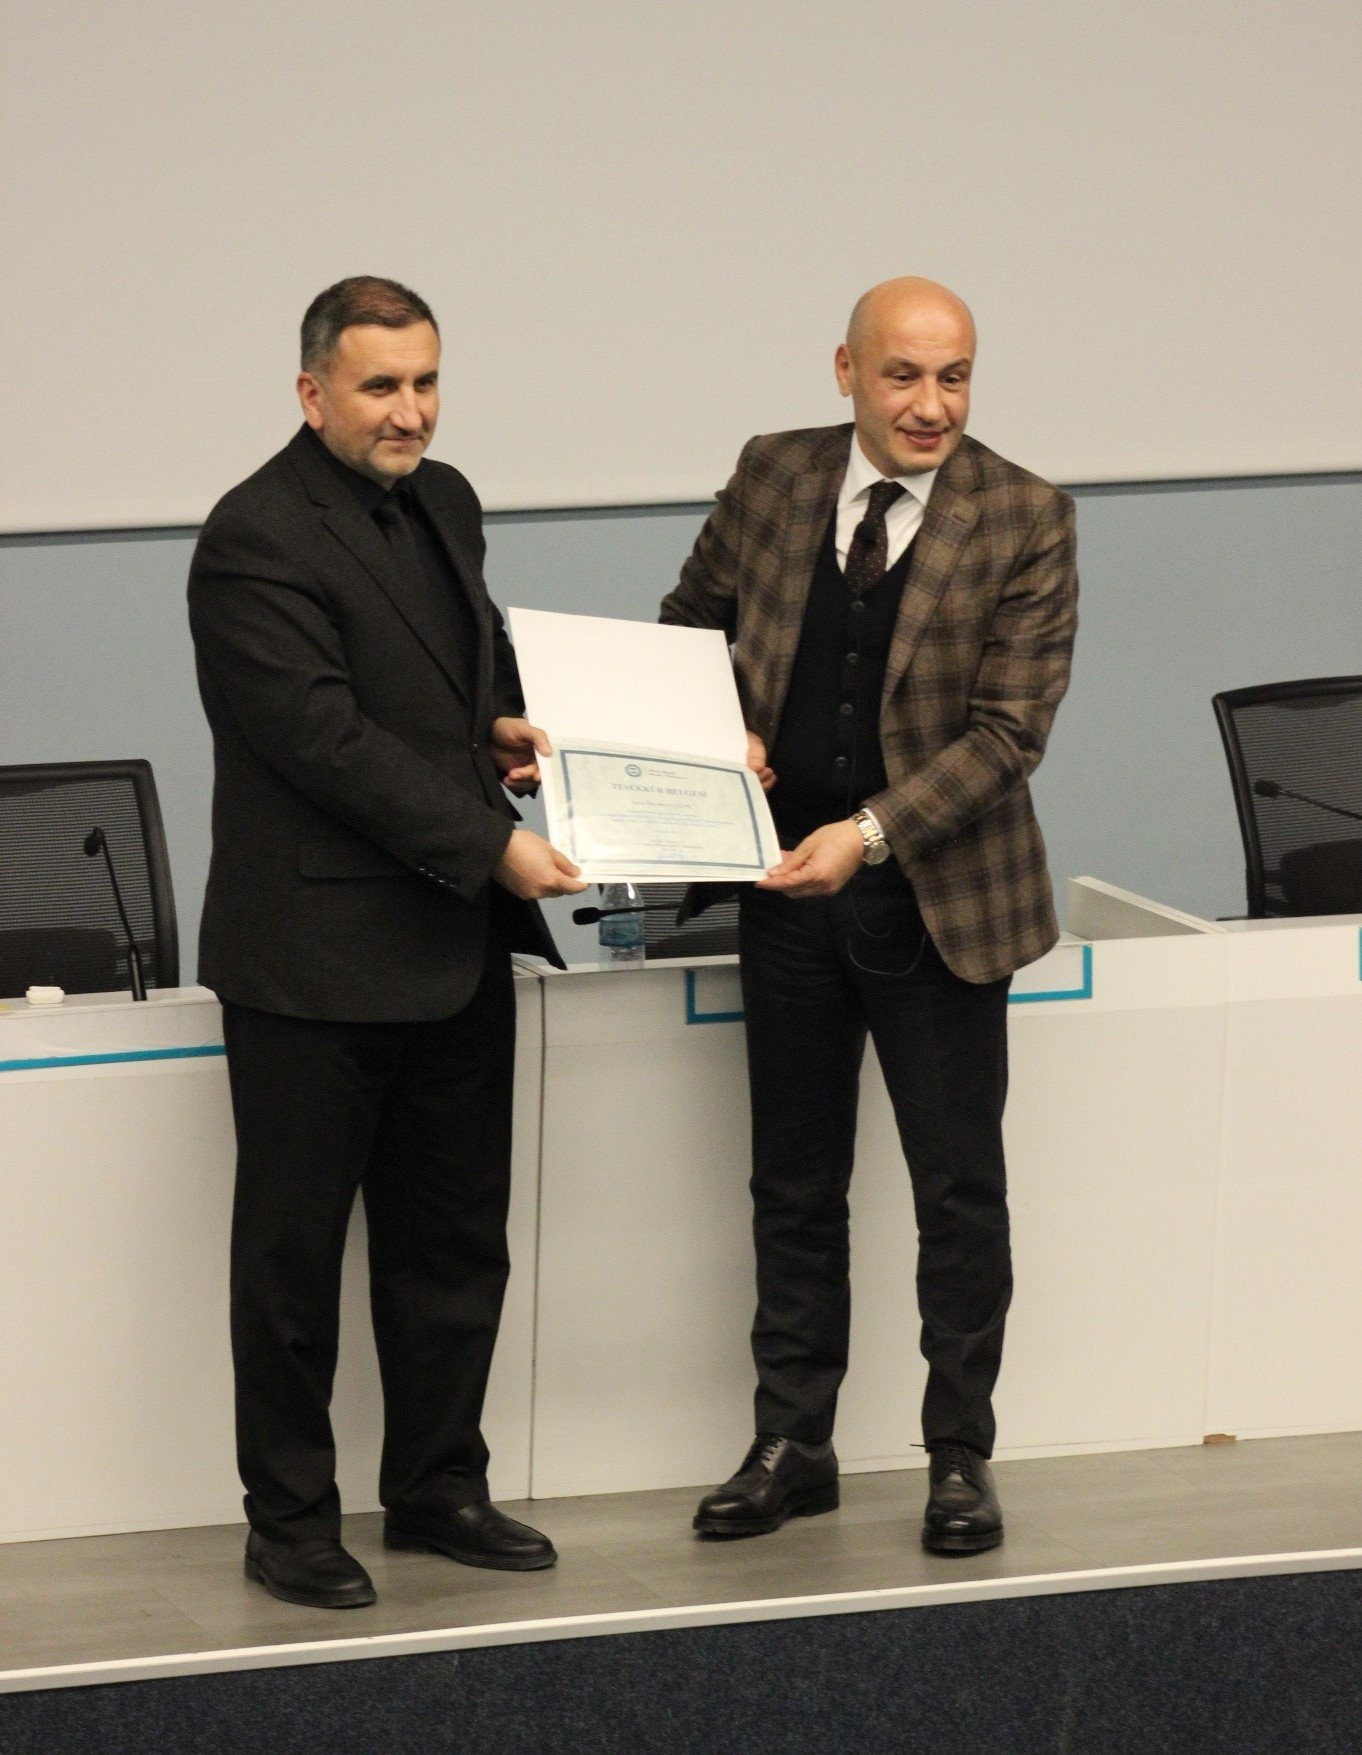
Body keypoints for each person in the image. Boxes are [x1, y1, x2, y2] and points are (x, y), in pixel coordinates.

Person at [660, 277, 1078, 1554]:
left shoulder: (1027, 516)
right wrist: (717, 730)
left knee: (959, 1193)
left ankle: (959, 1456)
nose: (932, 404)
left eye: (955, 377)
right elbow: (688, 631)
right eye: (904, 375)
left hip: (940, 904)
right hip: (786, 893)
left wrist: (872, 834)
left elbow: (1007, 736)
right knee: (793, 1185)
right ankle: (794, 1443)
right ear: (846, 372)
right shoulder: (774, 474)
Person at [188, 276, 586, 1609]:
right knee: (292, 1261)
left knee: (455, 1242)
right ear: (312, 394)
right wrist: (493, 843)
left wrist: (499, 726)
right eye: (379, 387)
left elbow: (444, 675)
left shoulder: (446, 499)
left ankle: (436, 1486)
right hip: (312, 959)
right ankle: (291, 1520)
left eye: (425, 381)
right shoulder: (250, 536)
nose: (410, 411)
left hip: (449, 943)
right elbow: (322, 738)